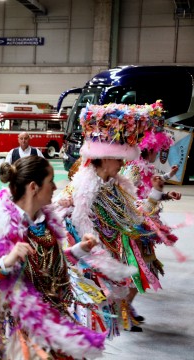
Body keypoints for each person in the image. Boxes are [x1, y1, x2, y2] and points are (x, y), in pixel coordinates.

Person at [0, 156, 106, 359]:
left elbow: (45, 264)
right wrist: (4, 264)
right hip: (13, 333)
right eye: (51, 181)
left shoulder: (45, 223)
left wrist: (79, 250)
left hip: (49, 321)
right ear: (33, 187)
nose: (56, 187)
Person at [59, 101, 177, 334]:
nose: (123, 163)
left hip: (111, 261)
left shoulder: (114, 185)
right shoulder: (81, 190)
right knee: (88, 325)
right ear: (104, 158)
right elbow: (71, 228)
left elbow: (135, 216)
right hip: (88, 272)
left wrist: (155, 194)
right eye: (118, 157)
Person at [123, 126, 182, 324]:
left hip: (146, 227)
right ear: (149, 149)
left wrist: (166, 194)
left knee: (143, 268)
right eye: (157, 149)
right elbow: (130, 198)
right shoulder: (134, 168)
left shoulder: (146, 167)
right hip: (135, 227)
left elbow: (149, 191)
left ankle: (126, 305)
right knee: (136, 268)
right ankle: (124, 307)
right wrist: (155, 197)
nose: (158, 153)